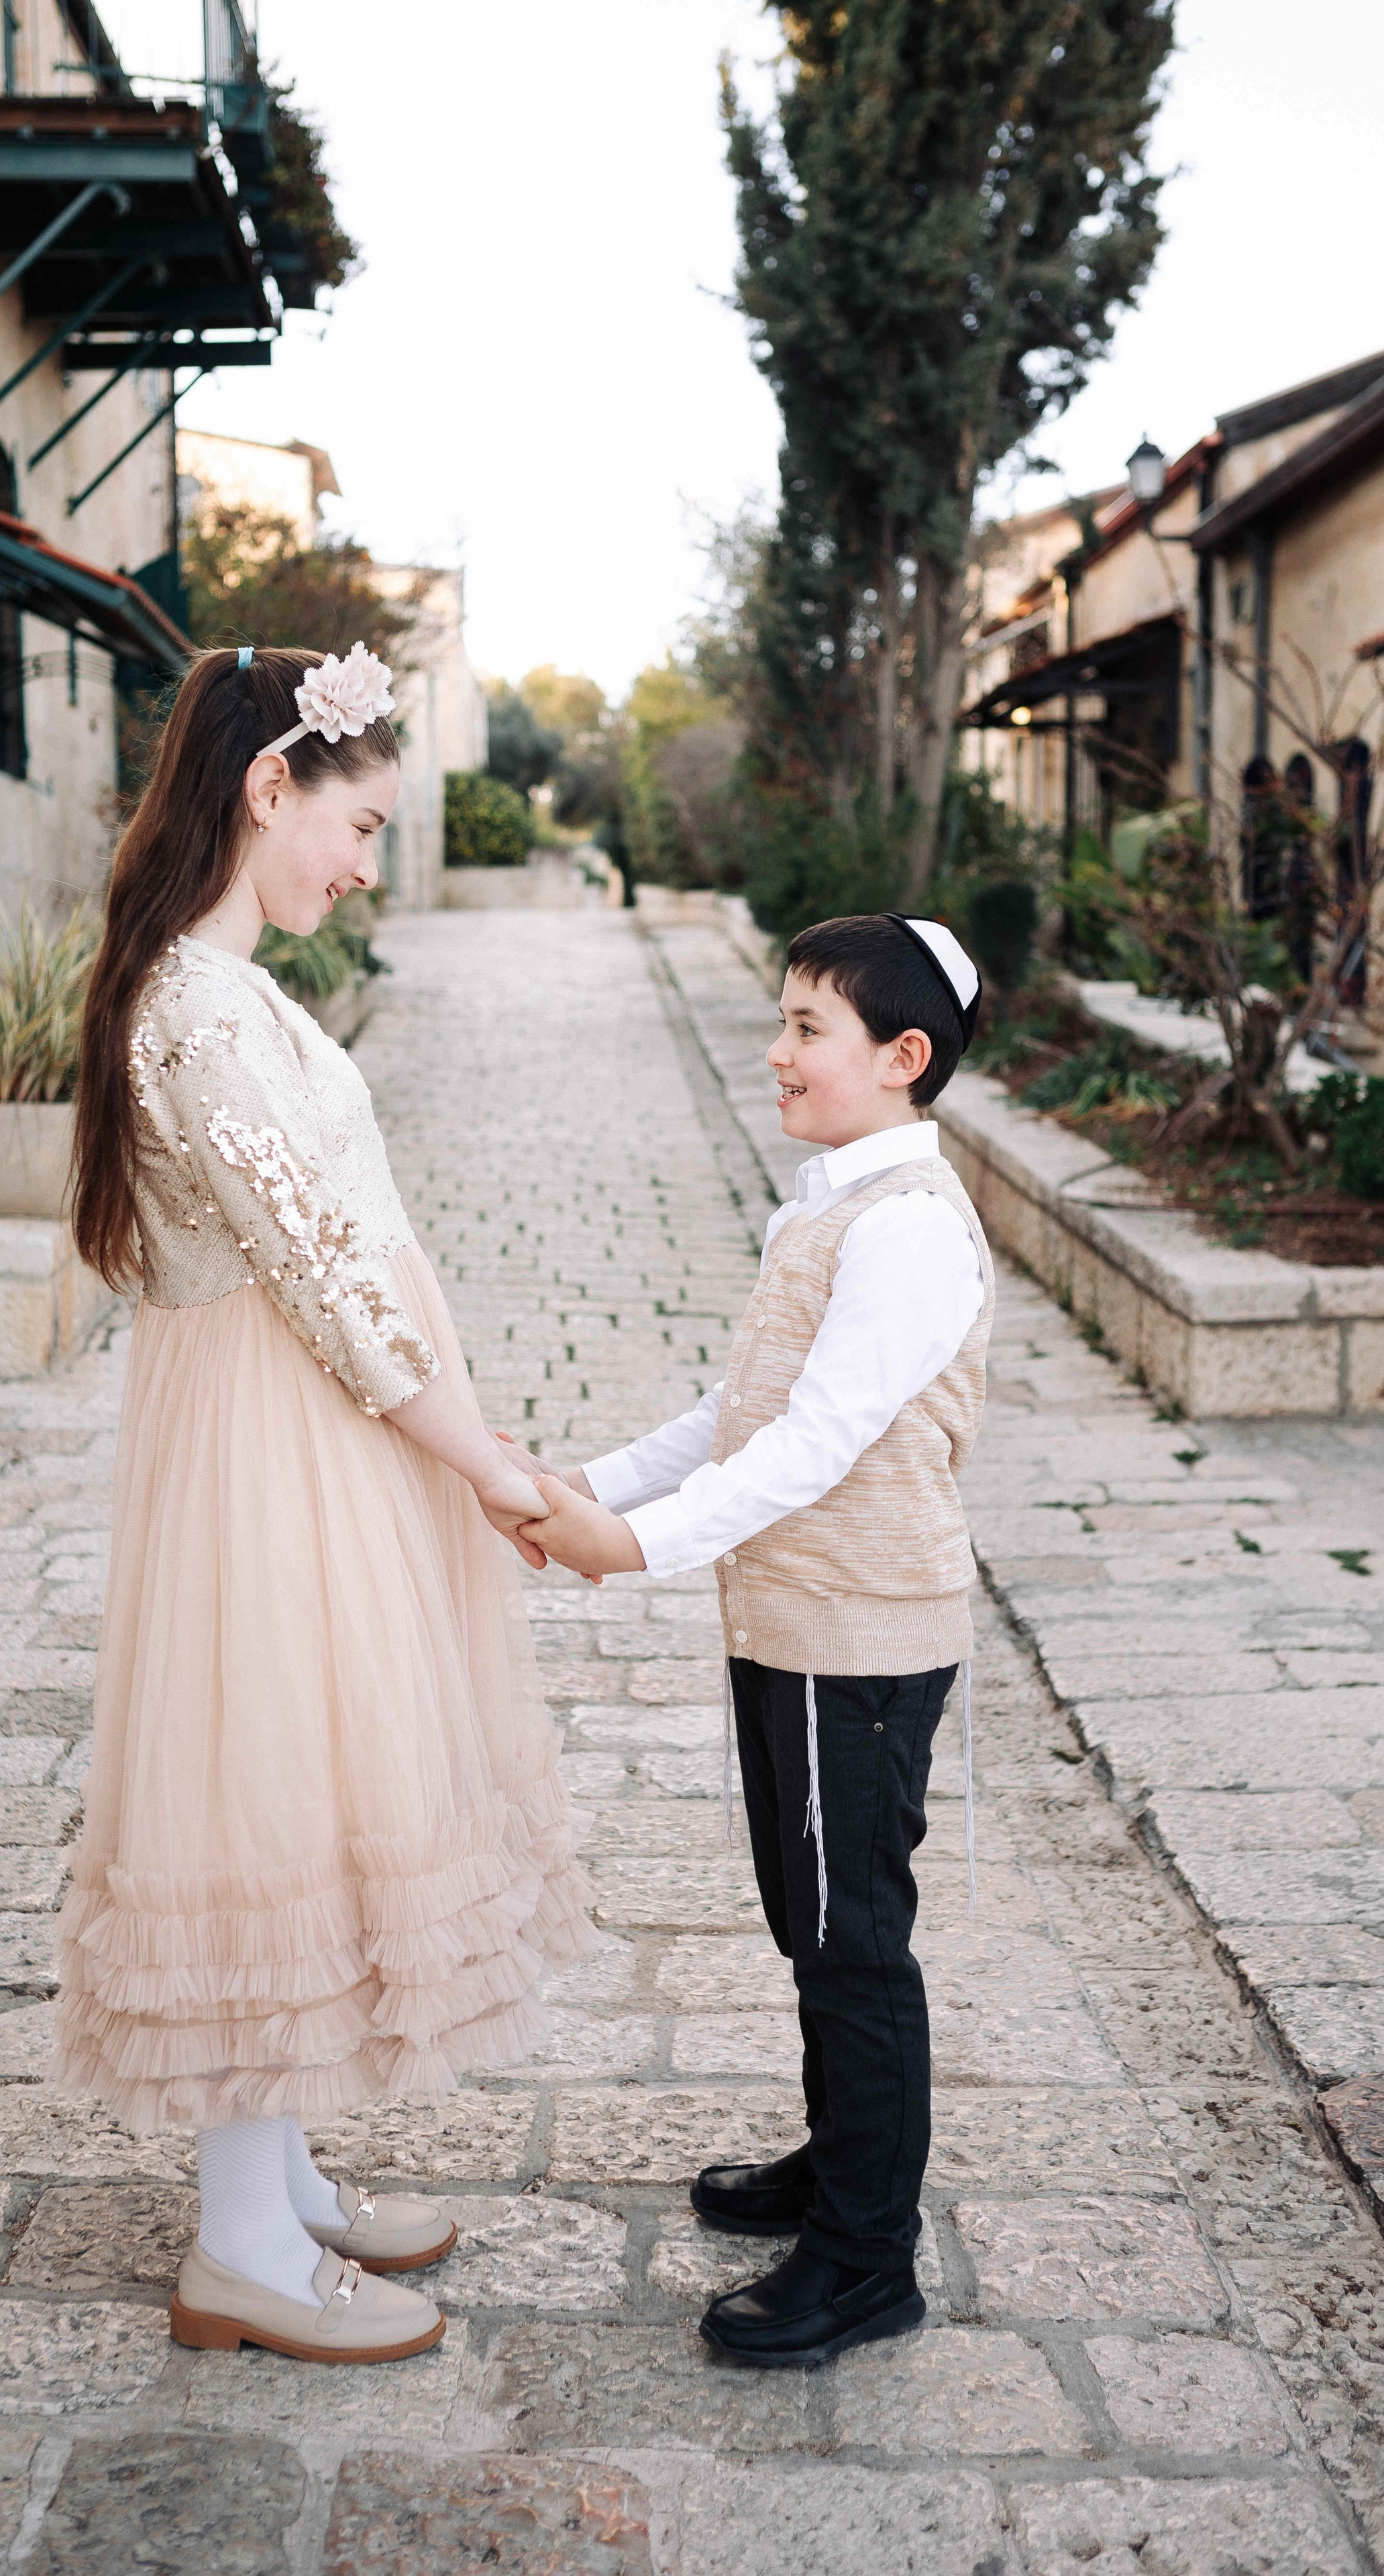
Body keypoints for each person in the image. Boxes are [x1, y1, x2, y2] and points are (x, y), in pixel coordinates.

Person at [58, 643, 592, 2366]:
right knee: (257, 1801)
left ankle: (268, 2179)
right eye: (354, 825)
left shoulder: (228, 988)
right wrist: (496, 1472)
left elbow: (354, 1265)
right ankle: (235, 2247)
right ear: (264, 787)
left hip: (305, 1431)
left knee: (283, 1780)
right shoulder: (196, 1013)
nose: (365, 867)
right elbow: (336, 1292)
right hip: (276, 1443)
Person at [519, 913, 994, 2371]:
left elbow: (816, 1443)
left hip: (853, 1640)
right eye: (780, 1021)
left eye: (806, 1028)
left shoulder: (908, 1227)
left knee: (854, 1942)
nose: (776, 1051)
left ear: (900, 1058)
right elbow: (735, 1414)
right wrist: (588, 1485)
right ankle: (839, 2160)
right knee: (813, 1919)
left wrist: (639, 1546)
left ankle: (865, 2260)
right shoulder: (831, 1205)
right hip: (795, 1628)